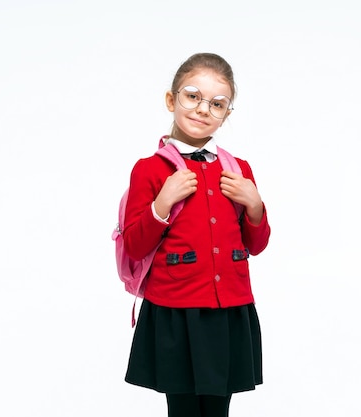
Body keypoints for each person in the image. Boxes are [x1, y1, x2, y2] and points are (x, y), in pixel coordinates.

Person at [122, 52, 271, 417]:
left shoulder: (239, 169)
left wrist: (254, 205)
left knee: (219, 410)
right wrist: (162, 203)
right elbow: (135, 244)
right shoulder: (149, 170)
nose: (203, 109)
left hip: (228, 309)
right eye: (192, 96)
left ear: (227, 114)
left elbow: (257, 244)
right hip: (176, 311)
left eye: (217, 104)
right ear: (172, 100)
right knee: (184, 409)